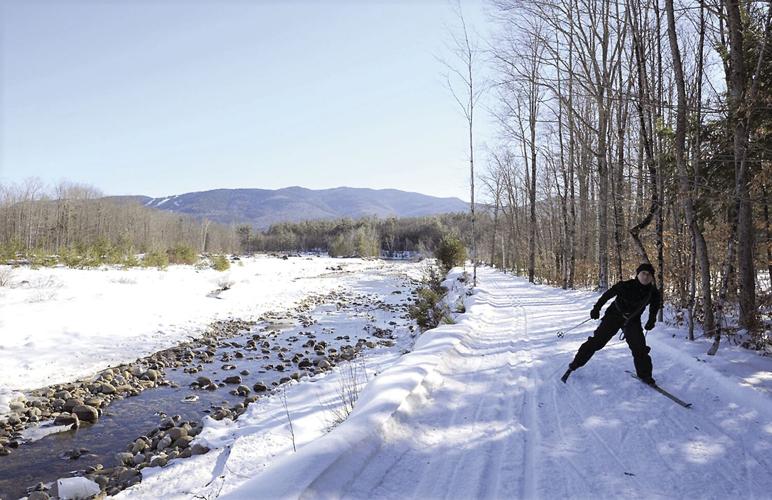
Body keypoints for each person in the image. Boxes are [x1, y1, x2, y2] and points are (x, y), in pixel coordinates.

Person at [561, 263, 661, 385]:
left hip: (632, 320)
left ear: (652, 277)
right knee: (597, 342)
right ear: (638, 274)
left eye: (649, 274)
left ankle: (645, 376)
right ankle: (575, 364)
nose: (646, 277)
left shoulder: (653, 292)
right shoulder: (625, 285)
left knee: (639, 348)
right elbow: (607, 296)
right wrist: (596, 309)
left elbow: (654, 307)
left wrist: (652, 321)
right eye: (643, 273)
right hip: (613, 316)